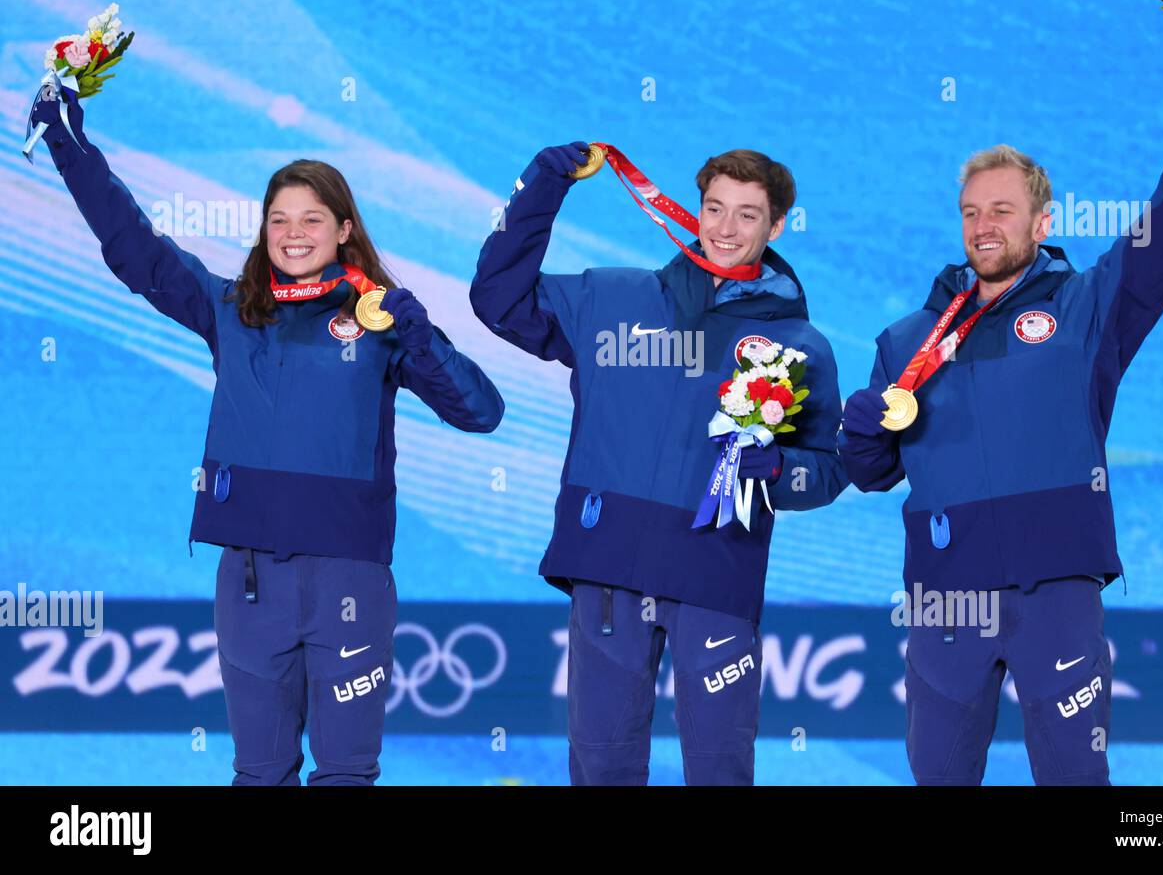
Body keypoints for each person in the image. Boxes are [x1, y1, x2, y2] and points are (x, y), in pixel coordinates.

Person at [29, 85, 505, 785]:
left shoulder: (381, 321)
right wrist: (72, 147)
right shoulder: (231, 311)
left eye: (312, 219)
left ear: (345, 229)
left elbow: (481, 411)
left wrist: (420, 335)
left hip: (349, 578)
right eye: (278, 219)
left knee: (345, 772)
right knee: (259, 773)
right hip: (250, 581)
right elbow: (138, 251)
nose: (293, 233)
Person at [838, 47, 1163, 785]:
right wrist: (864, 429)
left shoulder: (1089, 309)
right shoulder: (908, 342)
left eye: (1001, 210)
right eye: (971, 212)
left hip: (1055, 591)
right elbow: (870, 473)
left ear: (1042, 220)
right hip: (944, 601)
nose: (983, 226)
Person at [471, 143, 846, 784]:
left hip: (715, 572)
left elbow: (829, 470)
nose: (725, 229)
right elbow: (498, 299)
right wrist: (542, 184)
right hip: (608, 567)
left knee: (720, 768)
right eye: (715, 208)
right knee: (602, 767)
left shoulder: (800, 344)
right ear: (696, 210)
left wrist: (782, 470)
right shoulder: (610, 299)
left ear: (777, 226)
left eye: (748, 216)